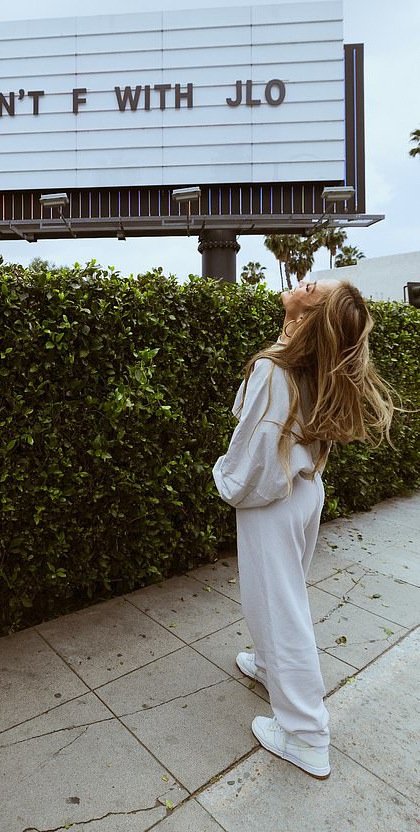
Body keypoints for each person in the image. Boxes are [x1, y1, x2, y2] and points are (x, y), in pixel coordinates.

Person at [212, 278, 395, 779]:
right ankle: (272, 669)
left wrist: (224, 482)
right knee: (274, 598)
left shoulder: (277, 370)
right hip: (300, 492)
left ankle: (306, 735)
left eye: (316, 290)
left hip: (275, 498)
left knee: (281, 605)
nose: (306, 281)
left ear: (311, 316)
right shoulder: (306, 362)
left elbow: (255, 458)